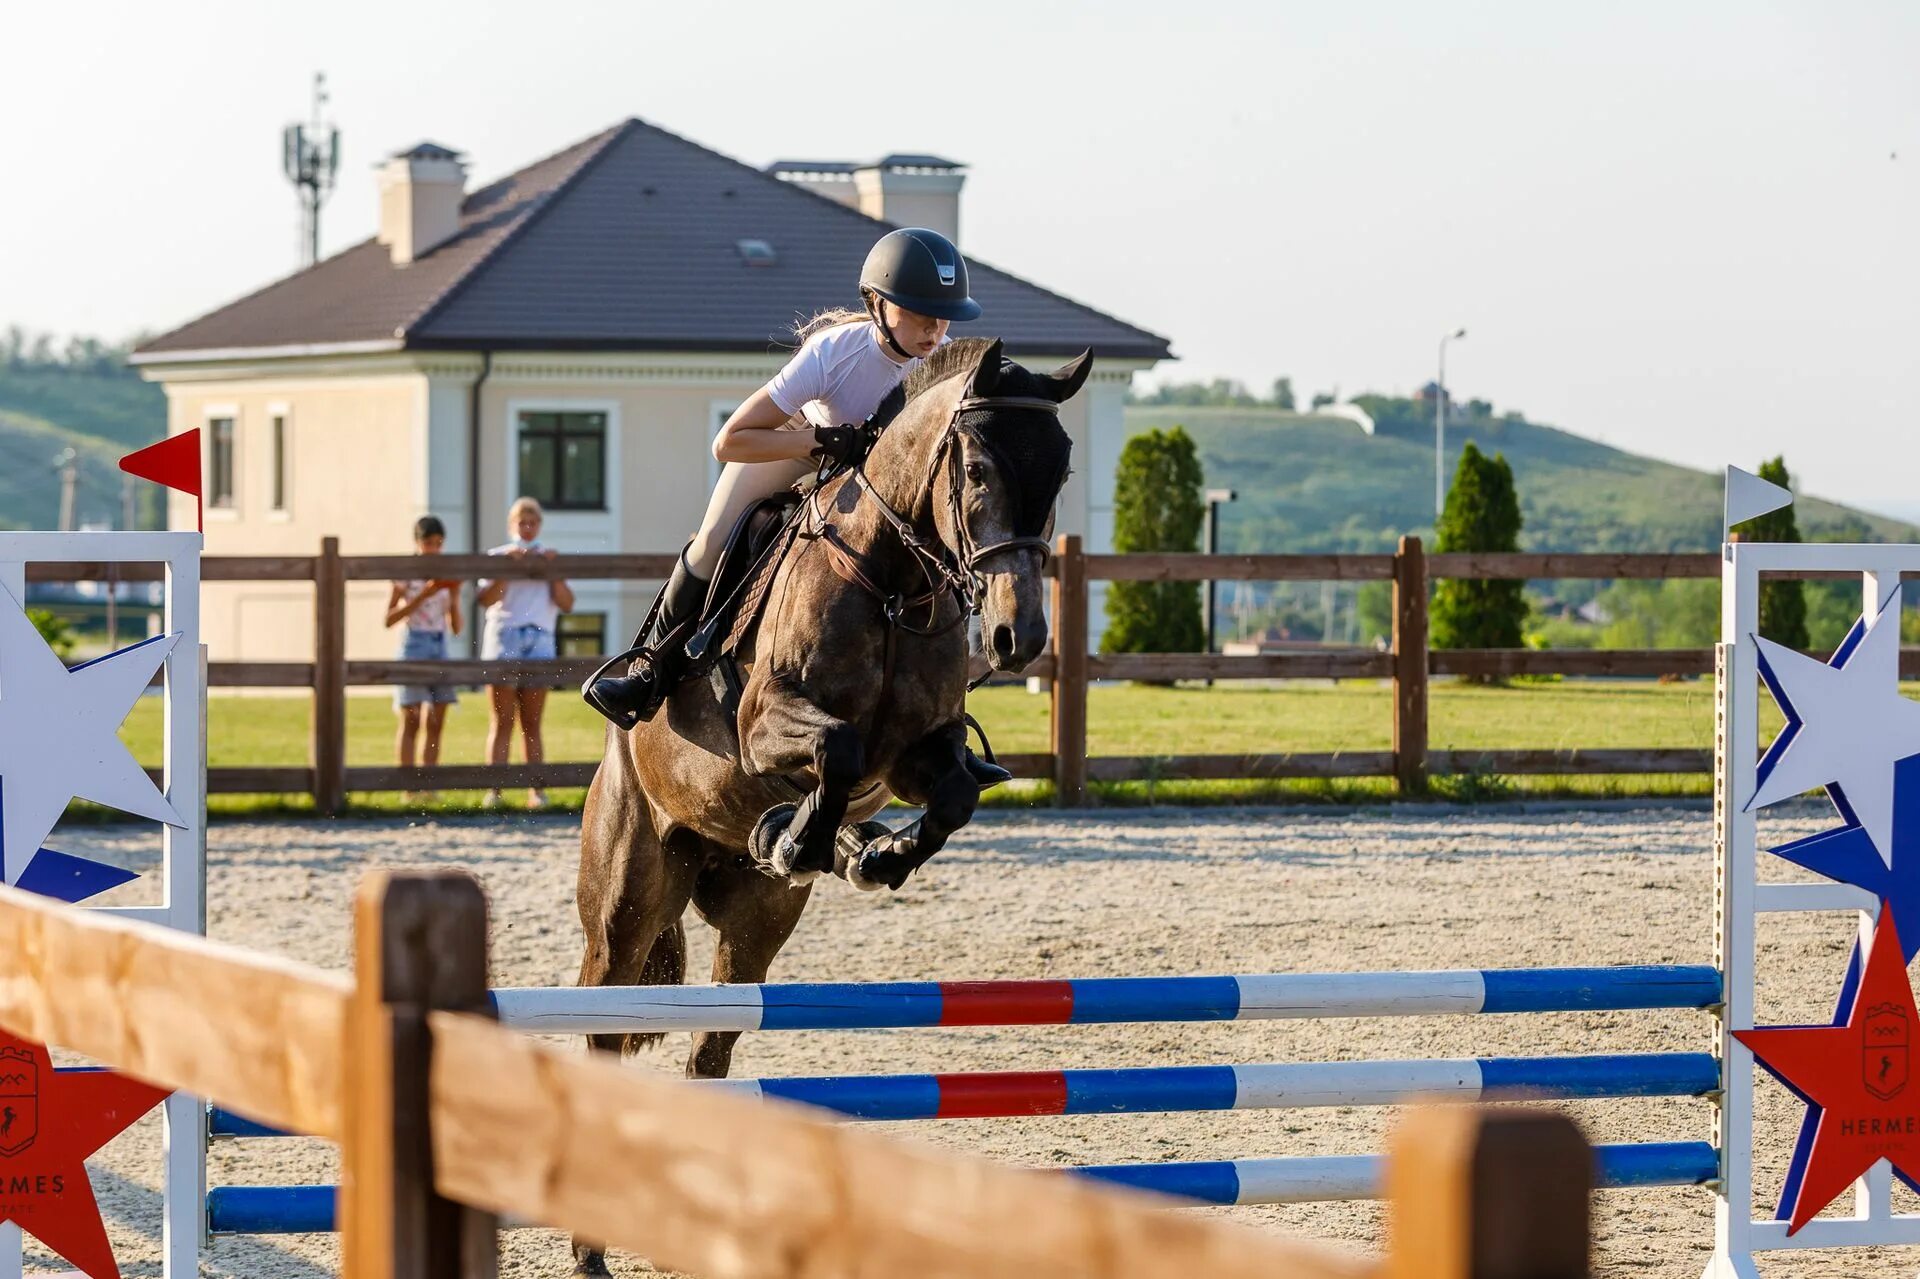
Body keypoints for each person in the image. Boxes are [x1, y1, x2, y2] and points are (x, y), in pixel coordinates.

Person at [582, 228, 1010, 789]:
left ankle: (946, 720)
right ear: (877, 306)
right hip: (795, 447)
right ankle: (651, 669)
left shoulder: (947, 372)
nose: (936, 330)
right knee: (713, 543)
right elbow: (731, 440)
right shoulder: (835, 353)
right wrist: (819, 442)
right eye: (921, 314)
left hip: (880, 490)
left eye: (945, 318)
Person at [477, 497, 574, 809]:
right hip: (504, 635)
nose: (528, 528)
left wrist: (552, 571)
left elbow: (567, 603)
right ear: (511, 526)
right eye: (522, 523)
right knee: (501, 719)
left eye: (533, 523)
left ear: (540, 526)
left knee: (532, 721)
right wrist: (508, 568)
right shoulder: (498, 557)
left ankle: (537, 790)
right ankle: (495, 790)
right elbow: (485, 599)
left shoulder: (549, 558)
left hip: (539, 635)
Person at [384, 515, 462, 798]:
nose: (434, 548)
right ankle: (408, 787)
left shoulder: (446, 572)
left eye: (439, 543)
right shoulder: (406, 573)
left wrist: (454, 596)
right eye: (429, 543)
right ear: (418, 543)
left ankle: (429, 784)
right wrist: (423, 594)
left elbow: (457, 628)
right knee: (411, 717)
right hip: (413, 642)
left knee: (437, 717)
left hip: (439, 643)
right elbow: (389, 618)